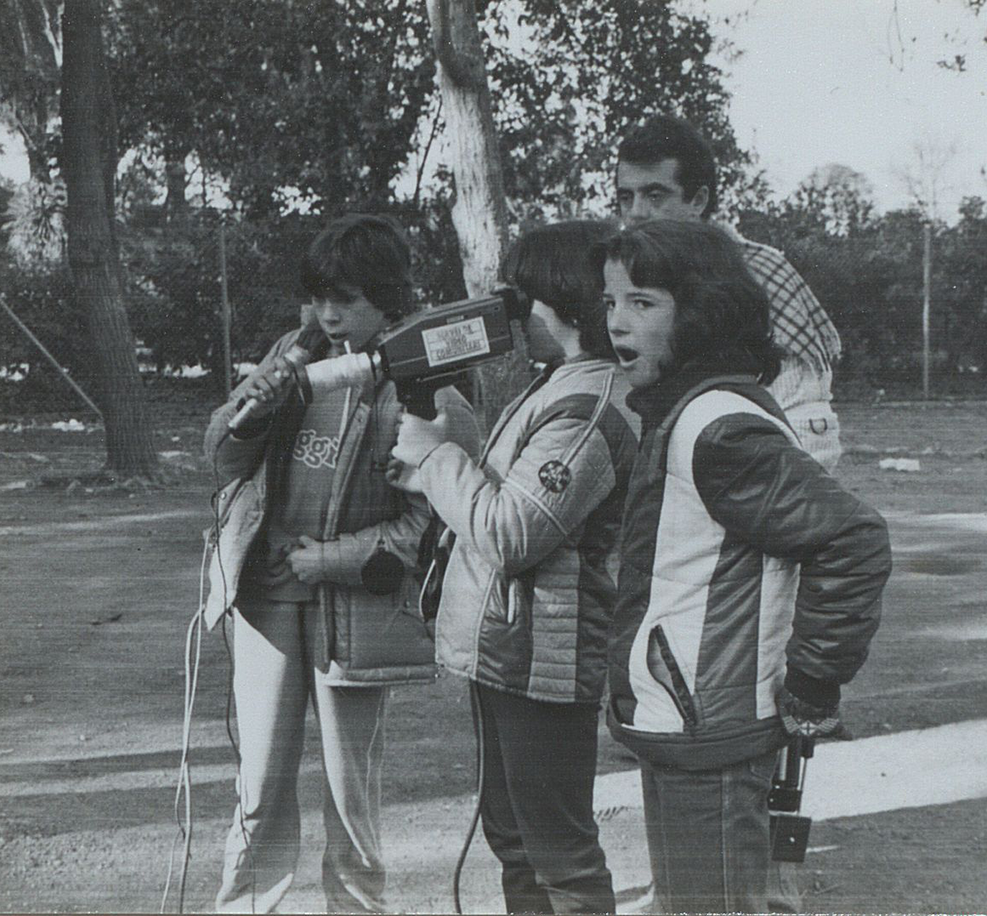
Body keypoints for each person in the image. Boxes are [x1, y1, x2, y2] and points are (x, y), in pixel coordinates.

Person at [598, 219, 890, 914]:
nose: (616, 321)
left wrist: (812, 685)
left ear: (700, 314)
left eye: (642, 302)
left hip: (715, 732)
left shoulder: (718, 427)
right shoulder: (680, 413)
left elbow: (852, 540)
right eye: (610, 301)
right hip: (683, 726)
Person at [390, 220, 638, 914]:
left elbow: (510, 532)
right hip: (511, 648)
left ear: (563, 302)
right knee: (514, 839)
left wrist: (435, 457)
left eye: (521, 299)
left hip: (545, 655)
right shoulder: (559, 383)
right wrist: (434, 470)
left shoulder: (589, 407)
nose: (511, 315)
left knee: (559, 854)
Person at [201, 213, 436, 913]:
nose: (328, 315)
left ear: (387, 298)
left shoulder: (416, 377)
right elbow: (221, 459)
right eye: (318, 298)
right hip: (267, 601)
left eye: (347, 300)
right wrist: (254, 411)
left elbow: (425, 524)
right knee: (259, 785)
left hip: (352, 611)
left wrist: (331, 560)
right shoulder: (295, 349)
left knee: (348, 792)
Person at [615, 112, 844, 474]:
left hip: (770, 461)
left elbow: (805, 410)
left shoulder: (752, 271)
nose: (637, 213)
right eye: (626, 197)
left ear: (698, 200)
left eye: (655, 195)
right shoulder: (632, 276)